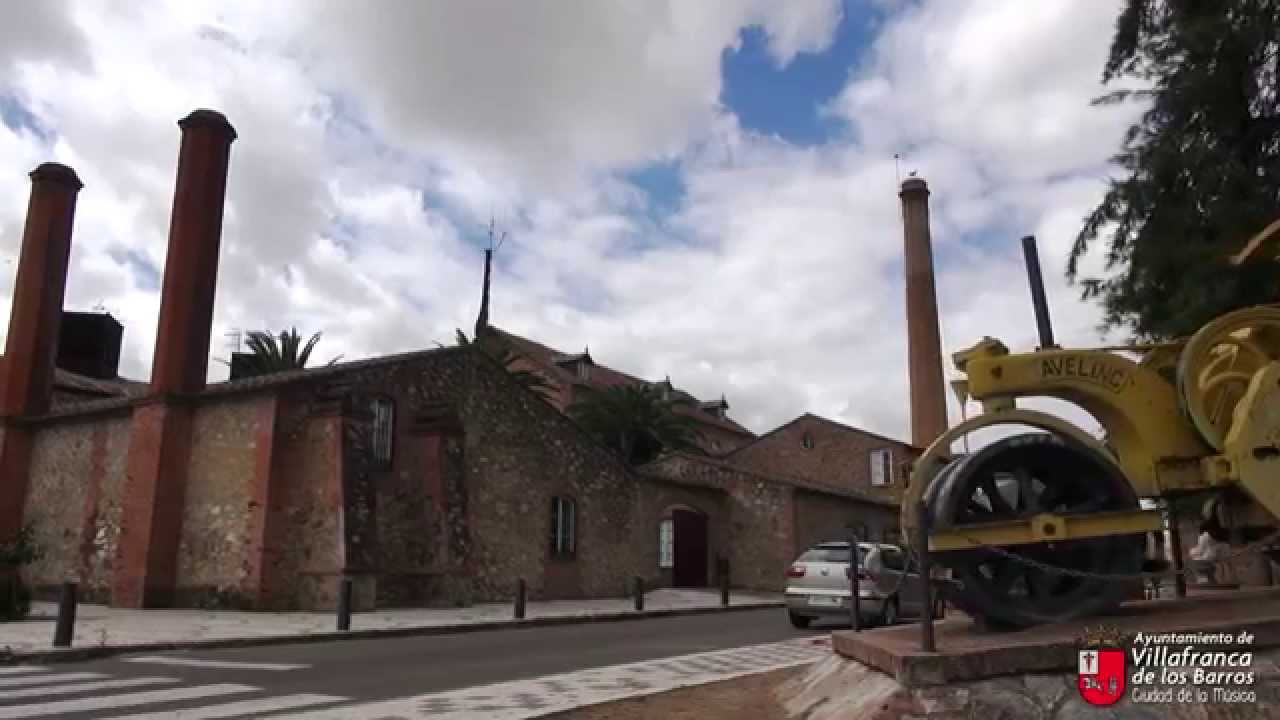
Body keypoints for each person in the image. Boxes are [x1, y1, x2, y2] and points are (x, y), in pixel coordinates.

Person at [1187, 519, 1230, 583]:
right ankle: (1212, 580)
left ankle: (1201, 580)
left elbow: (1200, 550)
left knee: (1191, 562)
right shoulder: (1222, 536)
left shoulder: (1205, 536)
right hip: (1220, 558)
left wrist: (1190, 552)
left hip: (1208, 559)